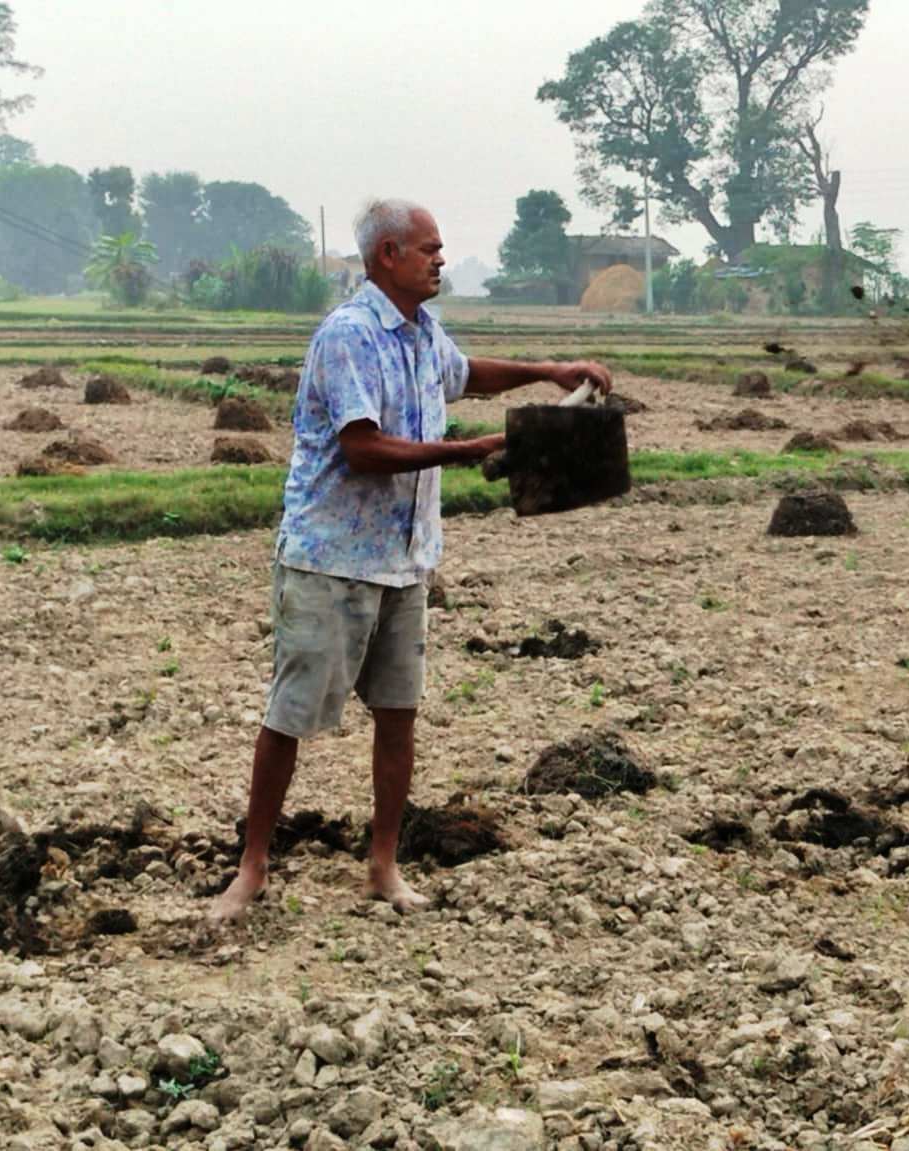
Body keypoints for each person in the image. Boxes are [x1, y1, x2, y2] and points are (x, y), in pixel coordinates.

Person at [211, 200, 613, 923]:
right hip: (332, 557)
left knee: (398, 716)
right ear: (388, 255)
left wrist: (549, 371)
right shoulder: (349, 336)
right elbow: (362, 449)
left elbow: (467, 374)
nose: (440, 259)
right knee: (291, 714)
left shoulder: (423, 332)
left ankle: (384, 865)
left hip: (405, 557)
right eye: (429, 249)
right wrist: (469, 450)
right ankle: (253, 865)